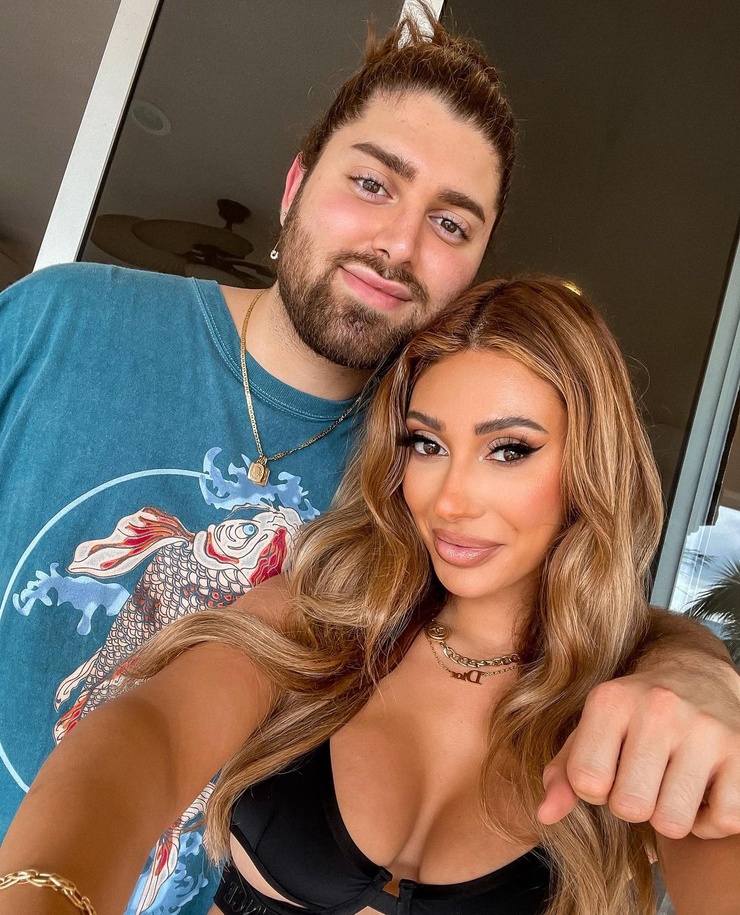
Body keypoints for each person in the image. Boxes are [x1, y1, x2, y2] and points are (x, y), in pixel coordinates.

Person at [0, 10, 738, 915]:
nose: (399, 244)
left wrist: (697, 669)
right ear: (295, 185)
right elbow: (152, 728)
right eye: (371, 182)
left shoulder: (399, 491)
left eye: (451, 223)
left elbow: (594, 618)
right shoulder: (59, 323)